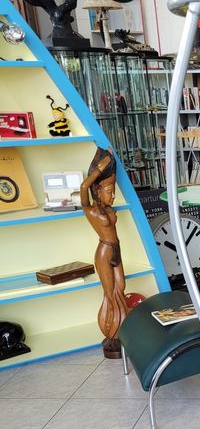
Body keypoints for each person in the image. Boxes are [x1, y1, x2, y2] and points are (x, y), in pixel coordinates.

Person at [81, 147, 127, 358]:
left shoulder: (109, 210)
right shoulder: (91, 211)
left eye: (114, 191)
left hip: (116, 249)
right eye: (109, 191)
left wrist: (110, 162)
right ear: (98, 191)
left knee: (121, 288)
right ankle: (112, 331)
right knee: (109, 294)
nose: (113, 195)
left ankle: (121, 328)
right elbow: (84, 186)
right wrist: (100, 169)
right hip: (105, 252)